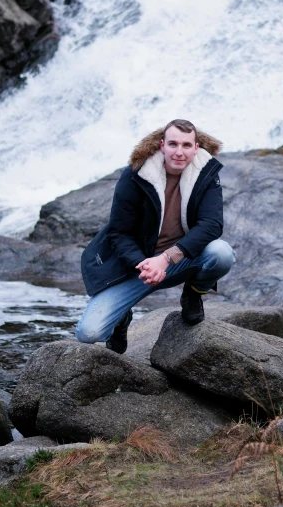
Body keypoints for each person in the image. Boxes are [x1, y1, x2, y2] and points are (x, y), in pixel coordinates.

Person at [75, 119, 235, 354]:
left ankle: (193, 294)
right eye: (173, 144)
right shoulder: (135, 175)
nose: (179, 152)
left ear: (196, 147)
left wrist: (167, 258)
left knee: (222, 254)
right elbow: (118, 232)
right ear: (162, 145)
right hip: (137, 266)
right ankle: (121, 319)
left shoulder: (206, 172)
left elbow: (212, 224)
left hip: (180, 259)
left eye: (186, 145)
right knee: (89, 333)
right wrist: (144, 264)